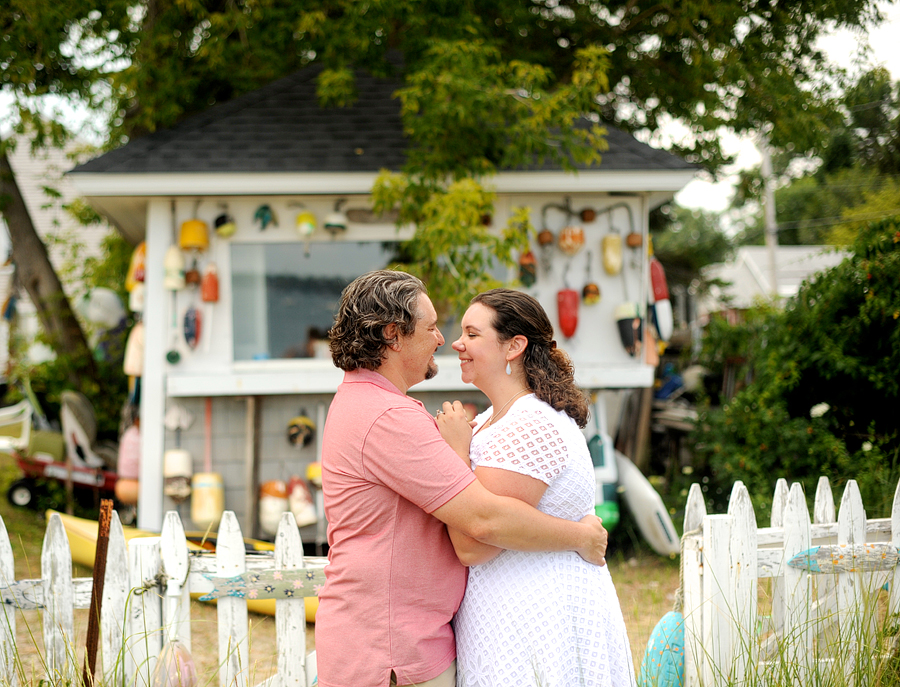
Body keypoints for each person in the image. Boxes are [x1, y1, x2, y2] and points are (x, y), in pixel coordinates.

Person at [317, 270, 609, 687]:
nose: (442, 339)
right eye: (431, 326)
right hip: (394, 651)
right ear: (393, 334)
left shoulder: (368, 403)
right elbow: (483, 522)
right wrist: (581, 537)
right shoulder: (388, 416)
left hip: (397, 643)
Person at [442, 288, 636, 687]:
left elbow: (474, 544)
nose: (457, 344)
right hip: (512, 611)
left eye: (472, 334)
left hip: (535, 616)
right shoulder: (497, 419)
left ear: (514, 346)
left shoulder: (530, 423)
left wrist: (456, 454)